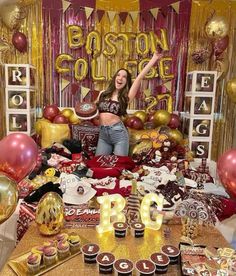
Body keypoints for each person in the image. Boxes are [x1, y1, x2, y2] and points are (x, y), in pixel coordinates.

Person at [95, 51, 163, 156]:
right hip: (103, 135)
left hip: (119, 134)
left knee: (120, 166)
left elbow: (139, 77)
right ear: (114, 78)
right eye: (118, 75)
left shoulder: (126, 97)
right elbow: (94, 112)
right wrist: (83, 112)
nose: (120, 78)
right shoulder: (102, 94)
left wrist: (154, 58)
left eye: (124, 77)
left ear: (126, 82)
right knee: (98, 164)